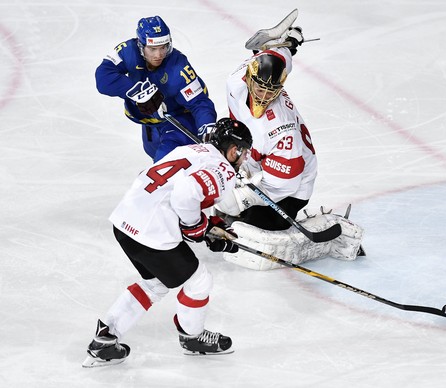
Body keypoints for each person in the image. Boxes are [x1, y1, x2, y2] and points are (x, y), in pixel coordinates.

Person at [82, 118, 253, 368]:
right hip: (151, 233)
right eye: (243, 152)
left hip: (124, 222)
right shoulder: (223, 169)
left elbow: (167, 185)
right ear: (232, 149)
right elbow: (186, 191)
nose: (244, 158)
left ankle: (106, 337)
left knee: (155, 283)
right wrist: (197, 228)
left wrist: (207, 224)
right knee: (199, 281)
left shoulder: (190, 149)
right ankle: (193, 338)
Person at [214, 23, 364, 271]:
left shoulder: (283, 132)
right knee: (218, 189)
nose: (263, 95)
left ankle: (314, 225)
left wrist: (243, 196)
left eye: (271, 90)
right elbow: (275, 58)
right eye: (260, 87)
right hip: (254, 155)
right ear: (249, 78)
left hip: (293, 183)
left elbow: (284, 185)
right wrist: (288, 47)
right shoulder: (235, 81)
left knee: (251, 223)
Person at [95, 16, 217, 162]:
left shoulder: (179, 66)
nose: (159, 55)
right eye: (152, 49)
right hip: (150, 124)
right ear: (140, 45)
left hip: (178, 121)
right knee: (154, 153)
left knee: (165, 165)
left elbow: (199, 103)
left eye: (163, 47)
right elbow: (103, 76)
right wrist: (137, 92)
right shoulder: (127, 50)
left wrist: (207, 127)